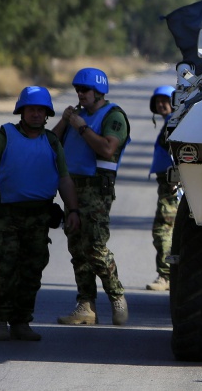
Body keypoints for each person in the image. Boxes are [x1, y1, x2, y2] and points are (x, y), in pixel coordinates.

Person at [0, 86, 81, 341]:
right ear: (22, 111)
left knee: (32, 269)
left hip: (39, 217)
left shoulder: (51, 142)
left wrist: (73, 210)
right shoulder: (4, 137)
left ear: (48, 113)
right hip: (7, 216)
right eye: (31, 109)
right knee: (6, 268)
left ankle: (21, 322)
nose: (36, 114)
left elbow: (64, 179)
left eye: (41, 110)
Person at [52, 68, 132, 326]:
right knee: (76, 246)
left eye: (84, 90)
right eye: (77, 90)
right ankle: (85, 305)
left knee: (95, 246)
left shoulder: (113, 116)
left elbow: (108, 149)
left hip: (96, 189)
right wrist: (66, 121)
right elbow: (50, 143)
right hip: (71, 187)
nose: (79, 94)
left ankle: (117, 296)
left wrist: (82, 127)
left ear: (98, 92)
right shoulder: (77, 116)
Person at [146, 85, 178, 291]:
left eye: (165, 100)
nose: (161, 104)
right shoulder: (170, 122)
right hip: (166, 184)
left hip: (171, 186)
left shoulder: (174, 124)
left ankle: (166, 275)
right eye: (158, 101)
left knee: (163, 230)